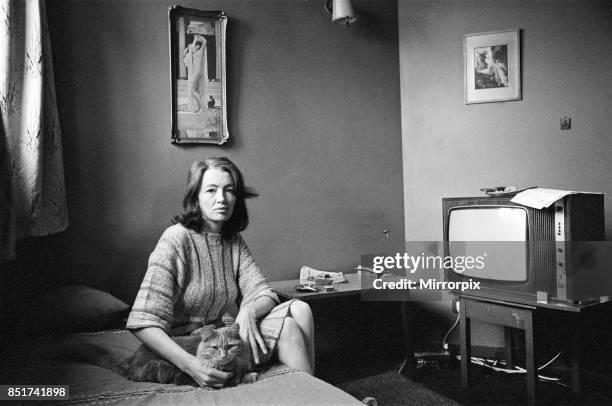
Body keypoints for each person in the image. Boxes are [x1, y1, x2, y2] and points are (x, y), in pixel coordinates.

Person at [126, 157, 315, 388]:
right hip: (187, 346)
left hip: (222, 337)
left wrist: (247, 311)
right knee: (291, 322)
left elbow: (264, 293)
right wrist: (190, 365)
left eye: (229, 190)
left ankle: (318, 393)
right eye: (211, 190)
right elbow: (144, 322)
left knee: (298, 311)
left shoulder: (232, 240)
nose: (221, 199)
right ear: (196, 196)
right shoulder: (176, 239)